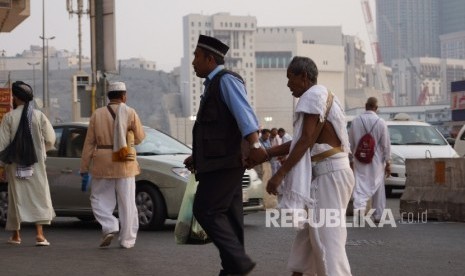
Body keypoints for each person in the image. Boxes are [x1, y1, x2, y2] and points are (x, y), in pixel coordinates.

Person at [261, 56, 355, 275]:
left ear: (303, 77)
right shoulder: (325, 94)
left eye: (290, 78)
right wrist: (267, 154)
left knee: (327, 241)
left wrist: (280, 174)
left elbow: (305, 140)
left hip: (329, 175)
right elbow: (300, 142)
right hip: (335, 173)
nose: (288, 84)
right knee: (308, 238)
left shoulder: (311, 95)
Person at [183, 34, 267, 275]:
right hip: (217, 161)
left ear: (210, 59)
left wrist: (254, 145)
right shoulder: (212, 84)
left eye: (197, 57)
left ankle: (238, 262)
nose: (193, 62)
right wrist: (196, 157)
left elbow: (245, 115)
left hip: (224, 163)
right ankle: (232, 269)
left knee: (205, 209)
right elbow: (215, 128)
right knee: (230, 218)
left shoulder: (226, 80)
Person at [80, 81, 145, 248]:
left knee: (99, 198)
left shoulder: (97, 114)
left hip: (102, 161)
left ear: (108, 97)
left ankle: (109, 226)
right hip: (124, 161)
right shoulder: (130, 112)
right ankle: (127, 240)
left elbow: (89, 143)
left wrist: (84, 167)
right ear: (124, 96)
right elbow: (139, 137)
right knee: (127, 202)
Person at [0, 81, 56, 246]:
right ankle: (40, 234)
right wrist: (40, 151)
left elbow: (2, 144)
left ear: (15, 98)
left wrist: (3, 165)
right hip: (36, 165)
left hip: (15, 165)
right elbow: (51, 139)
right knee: (39, 196)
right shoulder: (38, 116)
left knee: (17, 198)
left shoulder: (9, 117)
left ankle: (16, 236)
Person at [348, 97, 391, 223]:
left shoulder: (356, 121)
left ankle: (359, 211)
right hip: (377, 161)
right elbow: (386, 145)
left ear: (365, 106)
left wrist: (350, 159)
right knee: (378, 186)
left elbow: (350, 142)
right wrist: (388, 162)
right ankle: (378, 215)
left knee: (360, 185)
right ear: (376, 108)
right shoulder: (381, 122)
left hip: (359, 159)